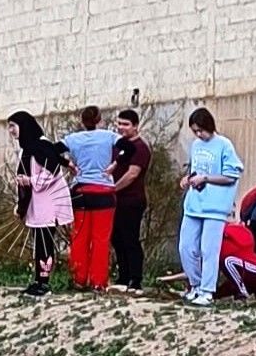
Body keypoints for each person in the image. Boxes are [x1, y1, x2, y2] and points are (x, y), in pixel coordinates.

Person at [179, 108, 244, 307]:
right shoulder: (196, 145)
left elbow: (232, 175)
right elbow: (195, 169)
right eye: (195, 131)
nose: (199, 135)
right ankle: (195, 284)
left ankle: (207, 290)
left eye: (201, 130)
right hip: (194, 204)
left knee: (209, 250)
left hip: (215, 206)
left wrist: (206, 178)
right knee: (186, 247)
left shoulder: (224, 145)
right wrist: (188, 179)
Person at [9, 110, 73, 297]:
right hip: (38, 204)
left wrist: (30, 180)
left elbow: (50, 170)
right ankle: (39, 280)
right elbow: (54, 158)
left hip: (49, 203)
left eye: (13, 126)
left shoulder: (40, 145)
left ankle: (44, 283)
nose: (11, 130)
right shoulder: (31, 147)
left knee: (45, 243)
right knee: (39, 243)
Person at [64, 106, 120, 291]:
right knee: (101, 239)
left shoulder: (73, 139)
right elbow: (128, 148)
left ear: (82, 121)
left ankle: (79, 278)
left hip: (81, 191)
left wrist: (68, 163)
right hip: (103, 191)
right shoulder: (109, 136)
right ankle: (98, 281)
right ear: (99, 119)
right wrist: (115, 164)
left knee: (79, 237)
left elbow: (51, 149)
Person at [110, 110, 153, 295]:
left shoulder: (140, 148)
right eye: (119, 124)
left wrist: (112, 189)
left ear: (135, 126)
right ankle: (123, 276)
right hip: (115, 202)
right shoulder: (118, 145)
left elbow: (132, 174)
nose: (121, 128)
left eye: (126, 124)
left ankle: (136, 279)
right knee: (116, 239)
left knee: (130, 239)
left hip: (132, 201)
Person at [216, 222, 256, 300]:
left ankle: (242, 292)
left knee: (227, 261)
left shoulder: (226, 244)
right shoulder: (238, 233)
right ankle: (251, 294)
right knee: (223, 290)